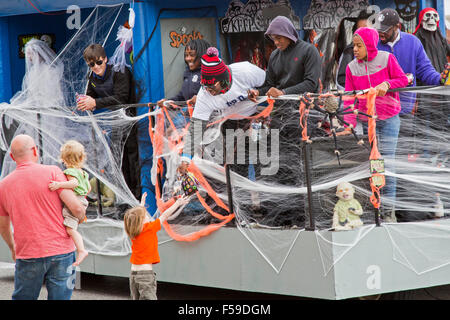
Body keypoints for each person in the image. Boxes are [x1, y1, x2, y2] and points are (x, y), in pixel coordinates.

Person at [0, 134, 87, 300]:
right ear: (35, 151)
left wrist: (13, 248)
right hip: (61, 251)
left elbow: (3, 226)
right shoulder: (53, 172)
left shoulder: (3, 186)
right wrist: (81, 213)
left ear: (12, 156)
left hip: (27, 254)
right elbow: (76, 208)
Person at [342, 27, 408, 222]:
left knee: (387, 163)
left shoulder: (387, 59)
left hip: (389, 119)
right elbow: (348, 99)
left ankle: (388, 211)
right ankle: (374, 209)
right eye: (354, 45)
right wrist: (349, 123)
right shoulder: (351, 67)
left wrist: (387, 84)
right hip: (366, 121)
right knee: (371, 165)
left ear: (369, 45)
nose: (355, 49)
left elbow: (403, 80)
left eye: (359, 45)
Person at [178, 46, 266, 177]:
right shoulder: (204, 95)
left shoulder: (245, 71)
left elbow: (270, 83)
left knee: (264, 164)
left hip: (256, 117)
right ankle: (239, 197)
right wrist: (185, 159)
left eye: (212, 87)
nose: (209, 91)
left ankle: (265, 196)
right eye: (205, 87)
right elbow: (196, 127)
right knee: (237, 170)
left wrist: (261, 99)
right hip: (231, 124)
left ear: (223, 79)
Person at [77, 43, 140, 200]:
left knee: (134, 159)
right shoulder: (92, 77)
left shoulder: (119, 72)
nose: (96, 67)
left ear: (105, 59)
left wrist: (95, 103)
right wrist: (83, 102)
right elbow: (89, 96)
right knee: (119, 160)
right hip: (117, 122)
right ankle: (125, 199)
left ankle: (138, 198)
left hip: (133, 120)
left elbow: (121, 97)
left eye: (99, 62)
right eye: (91, 64)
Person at [374, 8, 442, 137]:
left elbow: (425, 70)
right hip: (378, 112)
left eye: (385, 30)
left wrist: (440, 79)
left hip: (405, 111)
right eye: (379, 29)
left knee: (404, 154)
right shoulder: (373, 44)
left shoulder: (413, 42)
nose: (380, 33)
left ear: (397, 26)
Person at [124, 192, 190, 300]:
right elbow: (164, 215)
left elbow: (136, 219)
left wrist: (142, 204)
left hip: (133, 274)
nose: (147, 215)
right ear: (141, 221)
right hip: (145, 275)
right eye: (145, 215)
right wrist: (177, 203)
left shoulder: (133, 232)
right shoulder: (149, 228)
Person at [48, 140, 91, 267]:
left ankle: (82, 250)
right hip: (83, 200)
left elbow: (74, 184)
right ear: (82, 157)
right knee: (72, 225)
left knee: (70, 228)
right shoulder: (84, 173)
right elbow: (88, 189)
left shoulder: (70, 172)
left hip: (76, 200)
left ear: (63, 159)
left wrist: (59, 184)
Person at [157, 38, 210, 110]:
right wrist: (169, 102)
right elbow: (182, 97)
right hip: (191, 116)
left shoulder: (210, 73)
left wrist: (201, 99)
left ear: (202, 55)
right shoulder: (188, 73)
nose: (188, 58)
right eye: (186, 55)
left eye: (192, 55)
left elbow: (219, 96)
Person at [335, 10, 371, 89]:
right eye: (359, 30)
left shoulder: (384, 50)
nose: (362, 33)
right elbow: (342, 81)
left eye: (366, 30)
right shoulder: (350, 51)